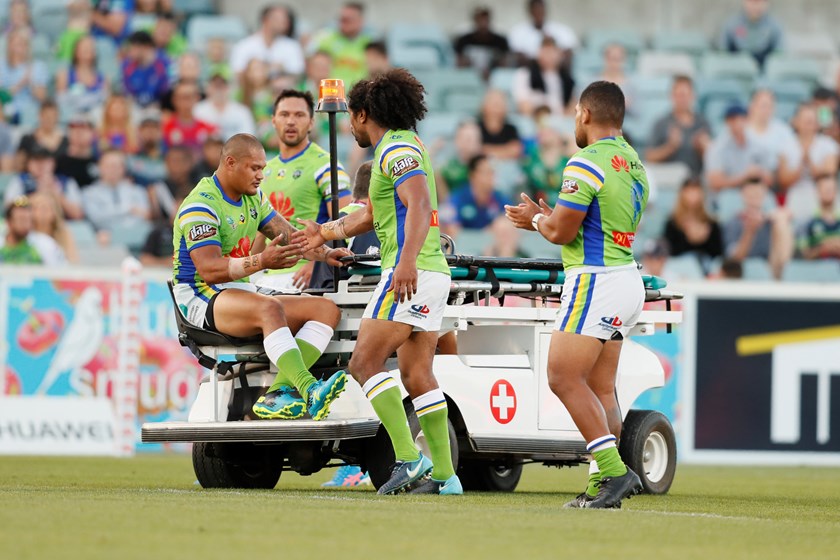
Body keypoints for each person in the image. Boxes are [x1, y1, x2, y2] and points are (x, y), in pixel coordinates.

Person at [298, 69, 463, 495]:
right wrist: (326, 231)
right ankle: (445, 477)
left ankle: (408, 459)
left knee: (364, 363)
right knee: (417, 374)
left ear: (363, 114)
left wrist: (405, 263)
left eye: (351, 118)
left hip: (411, 271)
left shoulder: (394, 148)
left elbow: (420, 203)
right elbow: (371, 215)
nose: (350, 127)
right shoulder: (403, 146)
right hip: (430, 271)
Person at [505, 81, 649, 509]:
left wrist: (536, 219)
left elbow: (561, 232)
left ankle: (617, 473)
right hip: (626, 275)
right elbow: (590, 226)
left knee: (563, 377)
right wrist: (550, 217)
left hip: (596, 279)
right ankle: (600, 485)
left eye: (574, 115)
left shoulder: (585, 162)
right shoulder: (634, 163)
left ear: (584, 114)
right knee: (602, 387)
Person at [171, 133, 350, 422]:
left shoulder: (254, 198)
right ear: (230, 163)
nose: (261, 176)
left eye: (263, 168)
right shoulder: (200, 205)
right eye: (254, 168)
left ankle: (278, 393)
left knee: (326, 310)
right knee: (270, 308)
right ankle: (308, 388)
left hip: (238, 292)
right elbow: (209, 269)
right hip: (201, 297)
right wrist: (261, 261)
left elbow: (289, 236)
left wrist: (326, 253)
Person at [252, 89, 352, 291]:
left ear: (312, 122)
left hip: (302, 277)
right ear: (273, 120)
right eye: (284, 114)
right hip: (267, 274)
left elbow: (346, 221)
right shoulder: (264, 170)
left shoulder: (326, 165)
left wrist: (317, 264)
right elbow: (258, 235)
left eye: (299, 115)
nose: (291, 121)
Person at [440, 154, 519, 256]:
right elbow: (451, 229)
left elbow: (511, 222)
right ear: (473, 175)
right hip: (464, 252)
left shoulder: (499, 198)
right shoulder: (459, 198)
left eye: (492, 172)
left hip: (492, 251)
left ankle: (505, 268)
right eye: (486, 172)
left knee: (505, 226)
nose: (491, 176)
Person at [722, 177, 793, 279]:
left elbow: (782, 257)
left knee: (782, 222)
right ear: (742, 195)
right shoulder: (733, 222)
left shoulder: (771, 222)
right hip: (740, 273)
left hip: (771, 270)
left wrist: (779, 220)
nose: (754, 197)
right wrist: (750, 230)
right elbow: (735, 259)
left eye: (758, 194)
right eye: (751, 194)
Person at [779, 103, 840, 223]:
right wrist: (802, 161)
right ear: (796, 122)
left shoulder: (828, 144)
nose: (808, 125)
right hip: (797, 193)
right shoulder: (786, 145)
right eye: (805, 121)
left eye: (811, 121)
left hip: (823, 196)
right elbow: (783, 181)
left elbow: (828, 175)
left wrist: (808, 159)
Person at [704, 104, 775, 197]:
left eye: (742, 118)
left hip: (754, 194)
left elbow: (770, 179)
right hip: (727, 197)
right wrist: (745, 176)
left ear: (747, 120)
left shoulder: (758, 144)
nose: (738, 123)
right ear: (727, 122)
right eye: (733, 119)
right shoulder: (717, 147)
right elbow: (715, 182)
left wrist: (760, 172)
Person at [645, 76, 710, 176]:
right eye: (679, 95)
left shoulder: (702, 123)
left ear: (693, 96)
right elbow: (649, 157)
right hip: (669, 178)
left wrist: (702, 148)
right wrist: (670, 146)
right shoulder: (661, 123)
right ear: (672, 96)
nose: (682, 99)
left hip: (696, 180)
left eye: (685, 95)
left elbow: (713, 159)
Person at [230, 5, 304, 85]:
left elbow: (297, 73)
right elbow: (238, 73)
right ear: (265, 20)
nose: (284, 22)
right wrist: (276, 68)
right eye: (278, 19)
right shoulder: (243, 46)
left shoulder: (292, 46)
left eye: (285, 19)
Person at [82, 150, 151, 233]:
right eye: (109, 166)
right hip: (103, 238)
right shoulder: (89, 193)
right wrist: (128, 209)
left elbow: (143, 216)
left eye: (117, 166)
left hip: (135, 234)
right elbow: (97, 219)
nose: (113, 170)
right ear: (99, 167)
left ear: (123, 169)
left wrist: (122, 230)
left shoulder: (138, 191)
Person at [4, 149, 84, 220]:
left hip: (62, 227)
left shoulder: (66, 182)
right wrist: (37, 195)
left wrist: (56, 195)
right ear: (28, 164)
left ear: (53, 163)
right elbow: (9, 207)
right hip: (29, 225)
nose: (40, 165)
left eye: (45, 161)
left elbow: (77, 214)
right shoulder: (20, 180)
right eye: (36, 160)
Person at [663, 177, 724, 271]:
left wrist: (704, 238)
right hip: (681, 270)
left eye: (697, 191)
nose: (693, 195)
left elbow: (718, 254)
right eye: (689, 191)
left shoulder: (711, 224)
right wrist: (688, 238)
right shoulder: (672, 223)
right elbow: (670, 253)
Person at [309, 2, 371, 86]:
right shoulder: (325, 40)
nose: (343, 23)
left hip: (360, 92)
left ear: (360, 21)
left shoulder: (369, 43)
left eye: (348, 19)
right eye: (341, 19)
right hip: (332, 91)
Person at [513, 36, 575, 117]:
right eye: (545, 51)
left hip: (560, 122)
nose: (548, 56)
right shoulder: (525, 74)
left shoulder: (567, 80)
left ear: (559, 54)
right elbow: (523, 105)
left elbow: (572, 107)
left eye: (551, 51)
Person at [0, 196, 67, 266]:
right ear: (9, 222)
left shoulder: (46, 244)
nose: (25, 225)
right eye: (21, 219)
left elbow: (60, 271)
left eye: (28, 220)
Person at [0, 29, 48, 125]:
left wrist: (30, 83)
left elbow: (42, 97)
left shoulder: (37, 67)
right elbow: (2, 96)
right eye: (16, 44)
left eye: (22, 44)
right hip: (6, 112)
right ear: (9, 45)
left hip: (30, 113)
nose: (19, 48)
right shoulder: (1, 65)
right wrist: (21, 83)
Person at [55, 34, 110, 116]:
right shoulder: (64, 76)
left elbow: (106, 106)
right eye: (84, 47)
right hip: (72, 120)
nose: (87, 49)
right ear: (76, 51)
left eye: (90, 47)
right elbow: (61, 105)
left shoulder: (103, 78)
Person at [719, 0, 783, 70]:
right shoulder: (732, 25)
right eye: (752, 2)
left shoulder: (774, 28)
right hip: (736, 74)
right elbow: (722, 56)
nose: (755, 6)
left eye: (759, 2)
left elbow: (780, 58)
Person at [508, 0, 578, 62]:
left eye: (540, 9)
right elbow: (518, 55)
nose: (538, 12)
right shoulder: (518, 32)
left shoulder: (560, 30)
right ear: (530, 11)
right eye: (535, 10)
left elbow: (568, 50)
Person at [162, 81, 217, 158]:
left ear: (197, 98)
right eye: (182, 97)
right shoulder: (165, 128)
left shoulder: (209, 129)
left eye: (189, 97)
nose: (186, 102)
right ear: (174, 100)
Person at [193, 72, 256, 140]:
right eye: (215, 85)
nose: (219, 90)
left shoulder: (242, 111)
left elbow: (249, 139)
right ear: (208, 88)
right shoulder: (197, 110)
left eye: (222, 85)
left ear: (229, 87)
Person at [453, 6, 510, 80]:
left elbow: (504, 65)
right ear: (474, 20)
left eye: (485, 19)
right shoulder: (463, 41)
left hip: (494, 79)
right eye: (480, 20)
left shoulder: (500, 41)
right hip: (469, 78)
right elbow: (459, 64)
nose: (483, 23)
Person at [122, 30, 171, 108]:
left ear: (145, 47)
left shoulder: (163, 64)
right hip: (136, 108)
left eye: (133, 48)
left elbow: (166, 92)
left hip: (158, 108)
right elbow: (127, 94)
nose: (130, 52)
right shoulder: (127, 66)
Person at [436, 120, 483, 199]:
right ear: (457, 140)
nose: (473, 142)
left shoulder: (488, 167)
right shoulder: (446, 168)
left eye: (477, 138)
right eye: (468, 139)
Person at [29, 191, 80, 264]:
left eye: (44, 208)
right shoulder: (27, 234)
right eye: (36, 208)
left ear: (54, 212)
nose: (41, 212)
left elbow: (73, 261)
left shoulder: (63, 232)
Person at [798, 174, 840, 260]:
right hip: (817, 270)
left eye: (831, 189)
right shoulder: (808, 222)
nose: (829, 191)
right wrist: (822, 249)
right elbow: (802, 255)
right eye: (825, 189)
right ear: (817, 191)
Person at [16, 100, 67, 167]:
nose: (50, 119)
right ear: (40, 115)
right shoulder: (28, 139)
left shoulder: (65, 141)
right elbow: (19, 164)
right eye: (46, 115)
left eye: (53, 116)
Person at [56, 112, 99, 188]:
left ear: (93, 133)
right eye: (73, 128)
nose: (78, 132)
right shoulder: (58, 163)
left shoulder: (100, 161)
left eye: (83, 128)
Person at [478, 90, 523, 160]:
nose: (496, 108)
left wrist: (487, 150)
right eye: (494, 103)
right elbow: (475, 151)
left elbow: (516, 150)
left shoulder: (511, 129)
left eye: (500, 103)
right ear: (484, 106)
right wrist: (506, 149)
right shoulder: (476, 128)